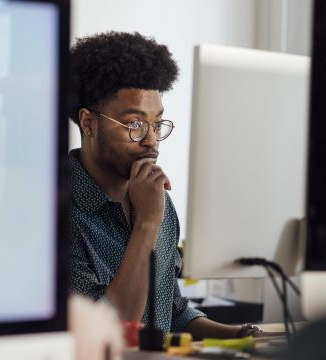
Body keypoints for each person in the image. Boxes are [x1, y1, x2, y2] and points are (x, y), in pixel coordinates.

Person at [67, 31, 261, 340]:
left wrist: (243, 336)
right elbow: (107, 334)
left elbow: (172, 311)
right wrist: (146, 224)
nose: (151, 140)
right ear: (89, 123)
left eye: (157, 124)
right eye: (134, 124)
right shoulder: (59, 215)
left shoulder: (156, 202)